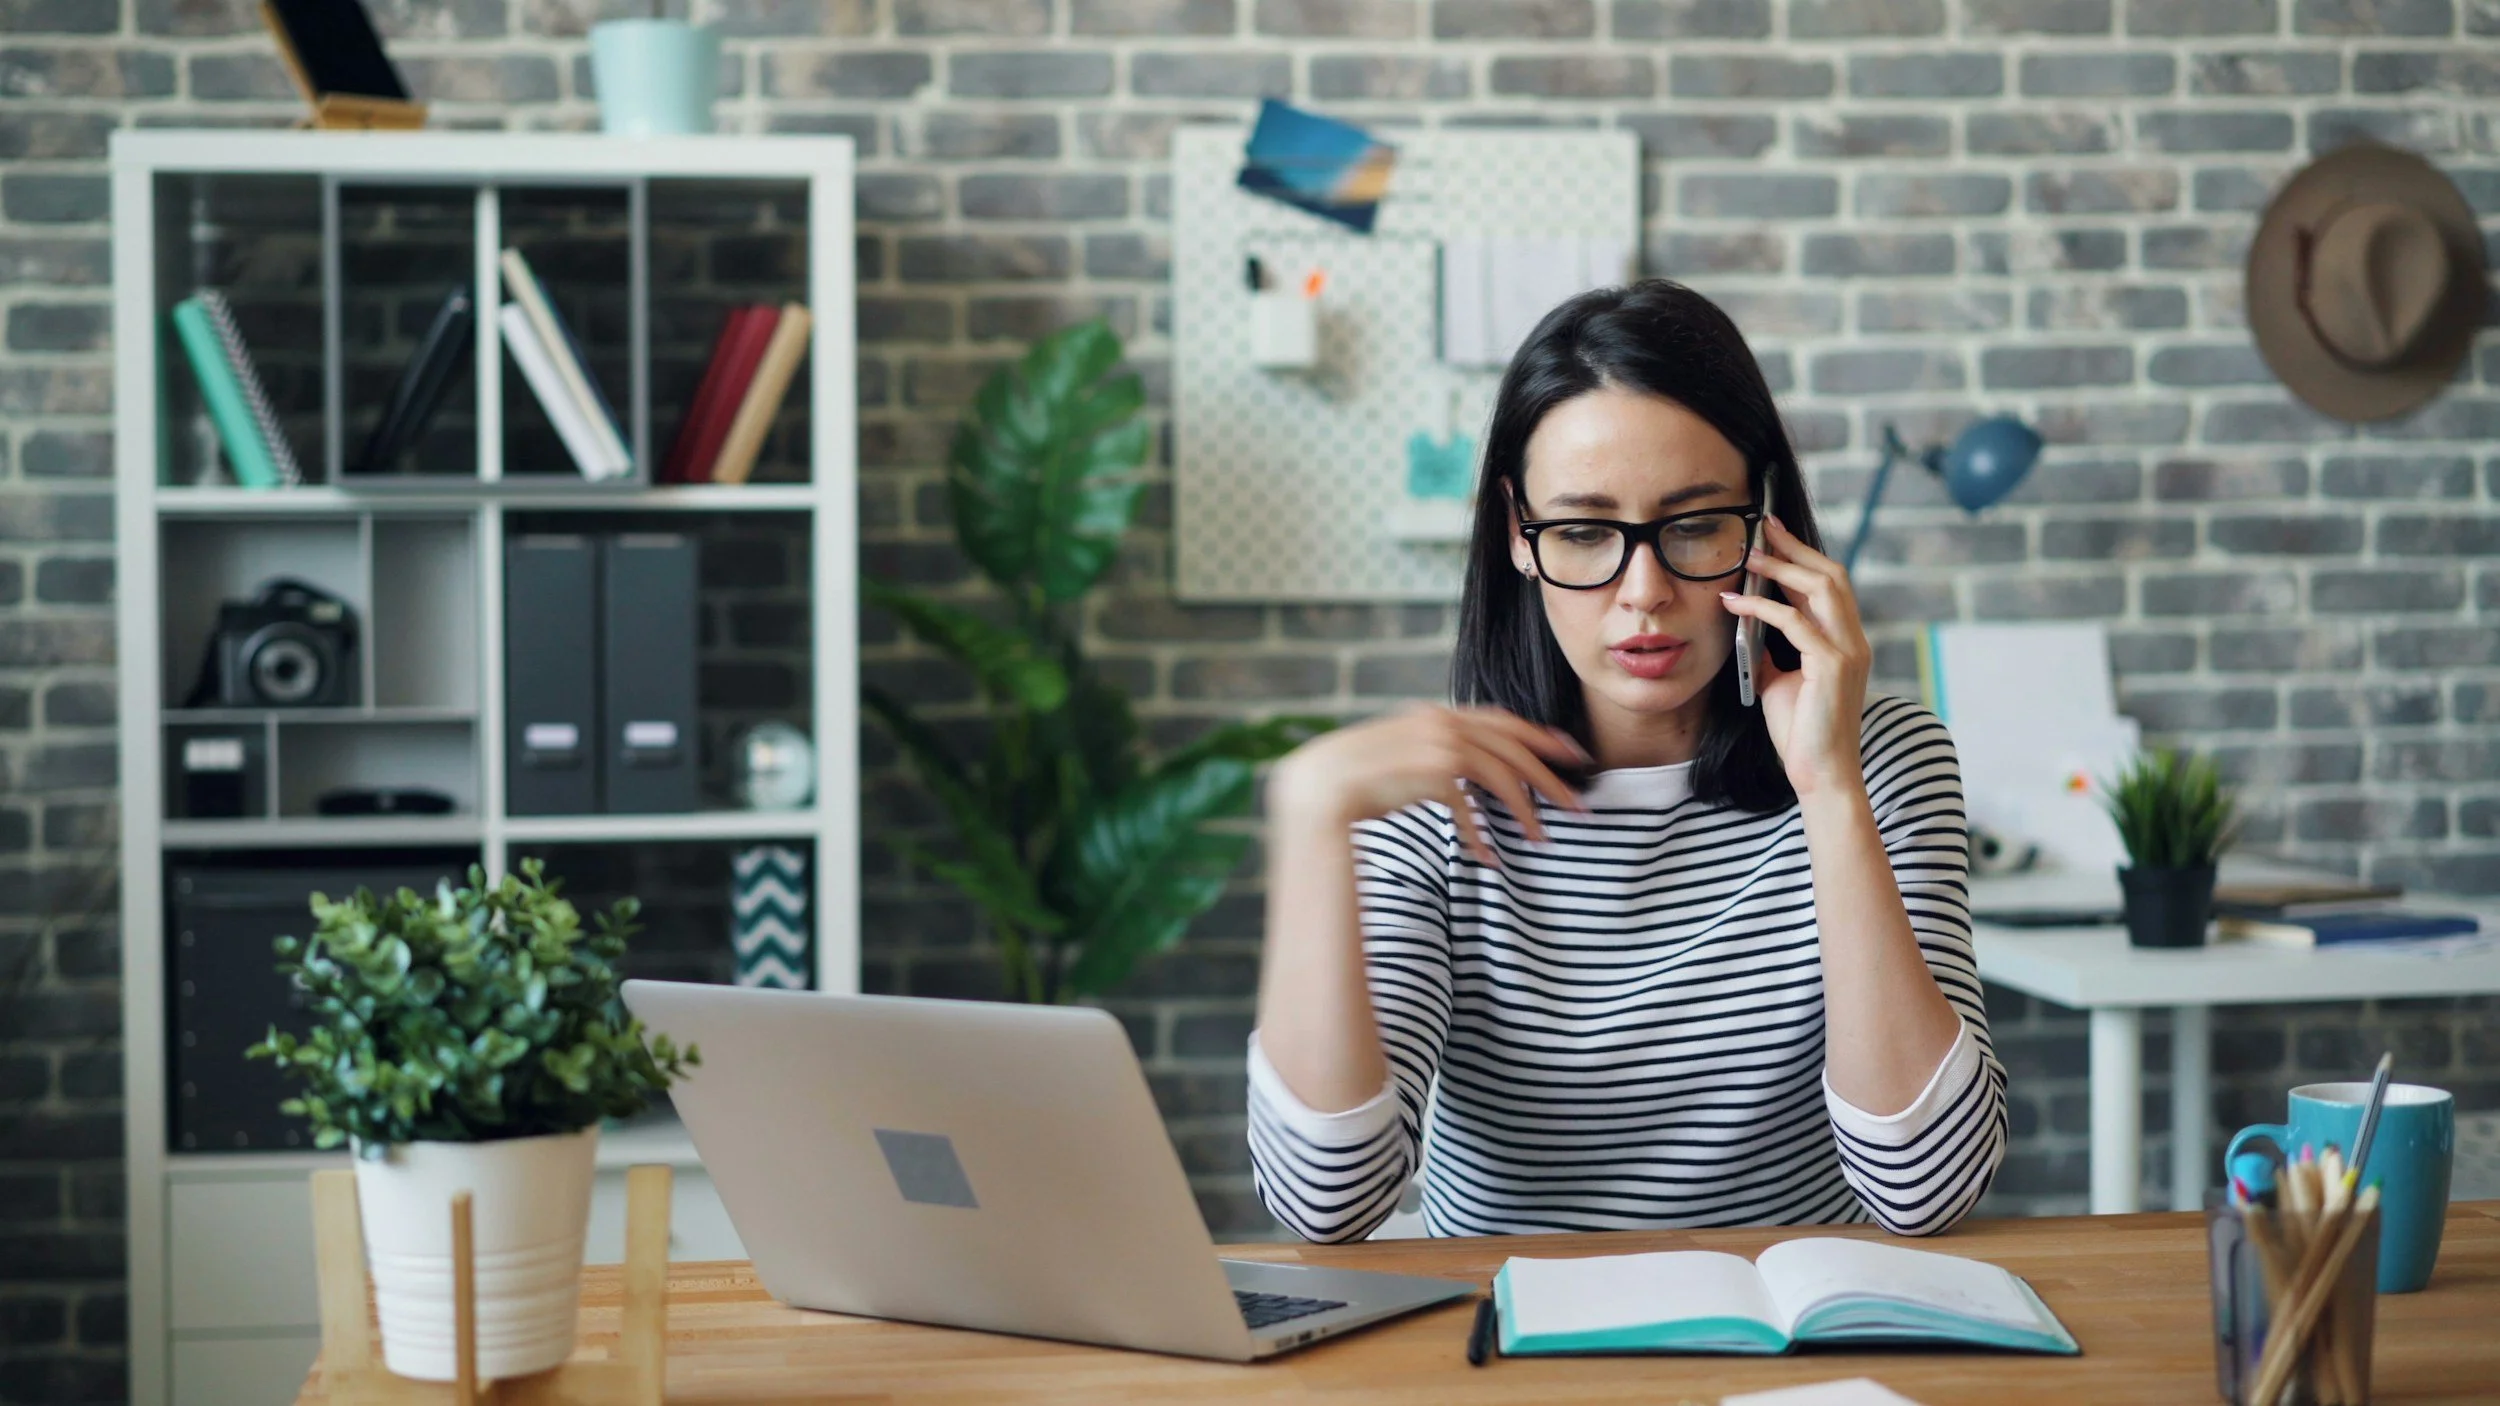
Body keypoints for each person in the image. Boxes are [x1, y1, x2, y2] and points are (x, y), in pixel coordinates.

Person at [1246, 280, 2007, 1242]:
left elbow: (1927, 1189)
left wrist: (1828, 786)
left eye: (1692, 526)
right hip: (1510, 1356)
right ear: (1518, 534)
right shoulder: (1426, 795)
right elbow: (1326, 1205)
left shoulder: (1882, 758)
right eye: (1582, 532)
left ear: (1764, 522)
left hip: (1796, 1353)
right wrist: (1311, 820)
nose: (1642, 593)